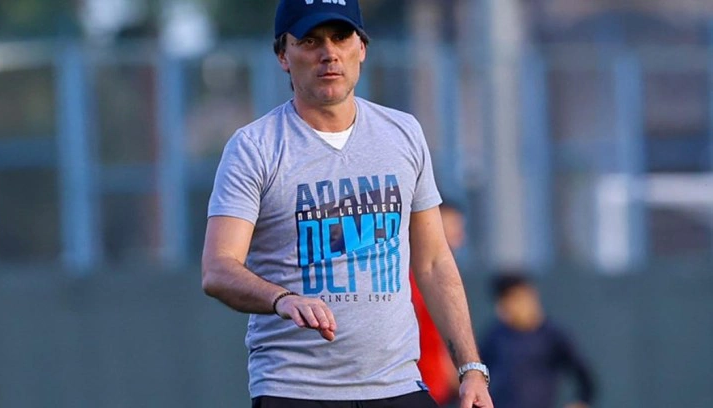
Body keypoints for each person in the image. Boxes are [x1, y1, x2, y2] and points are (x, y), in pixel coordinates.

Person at [201, 1, 493, 407]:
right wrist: (282, 299)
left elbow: (433, 263)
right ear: (283, 55)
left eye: (340, 37)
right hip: (295, 389)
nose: (329, 53)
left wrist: (471, 369)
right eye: (310, 41)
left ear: (362, 48)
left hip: (398, 386)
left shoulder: (403, 134)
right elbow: (218, 269)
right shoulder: (255, 148)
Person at [481, 272, 595, 408]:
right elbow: (476, 374)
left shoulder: (553, 336)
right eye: (505, 301)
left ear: (531, 296)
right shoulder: (495, 337)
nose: (511, 306)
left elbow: (585, 378)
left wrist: (581, 402)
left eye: (516, 298)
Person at [411, 203, 466, 407]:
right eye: (450, 225)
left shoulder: (449, 277)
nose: (458, 234)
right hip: (419, 385)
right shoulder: (413, 277)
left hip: (440, 388)